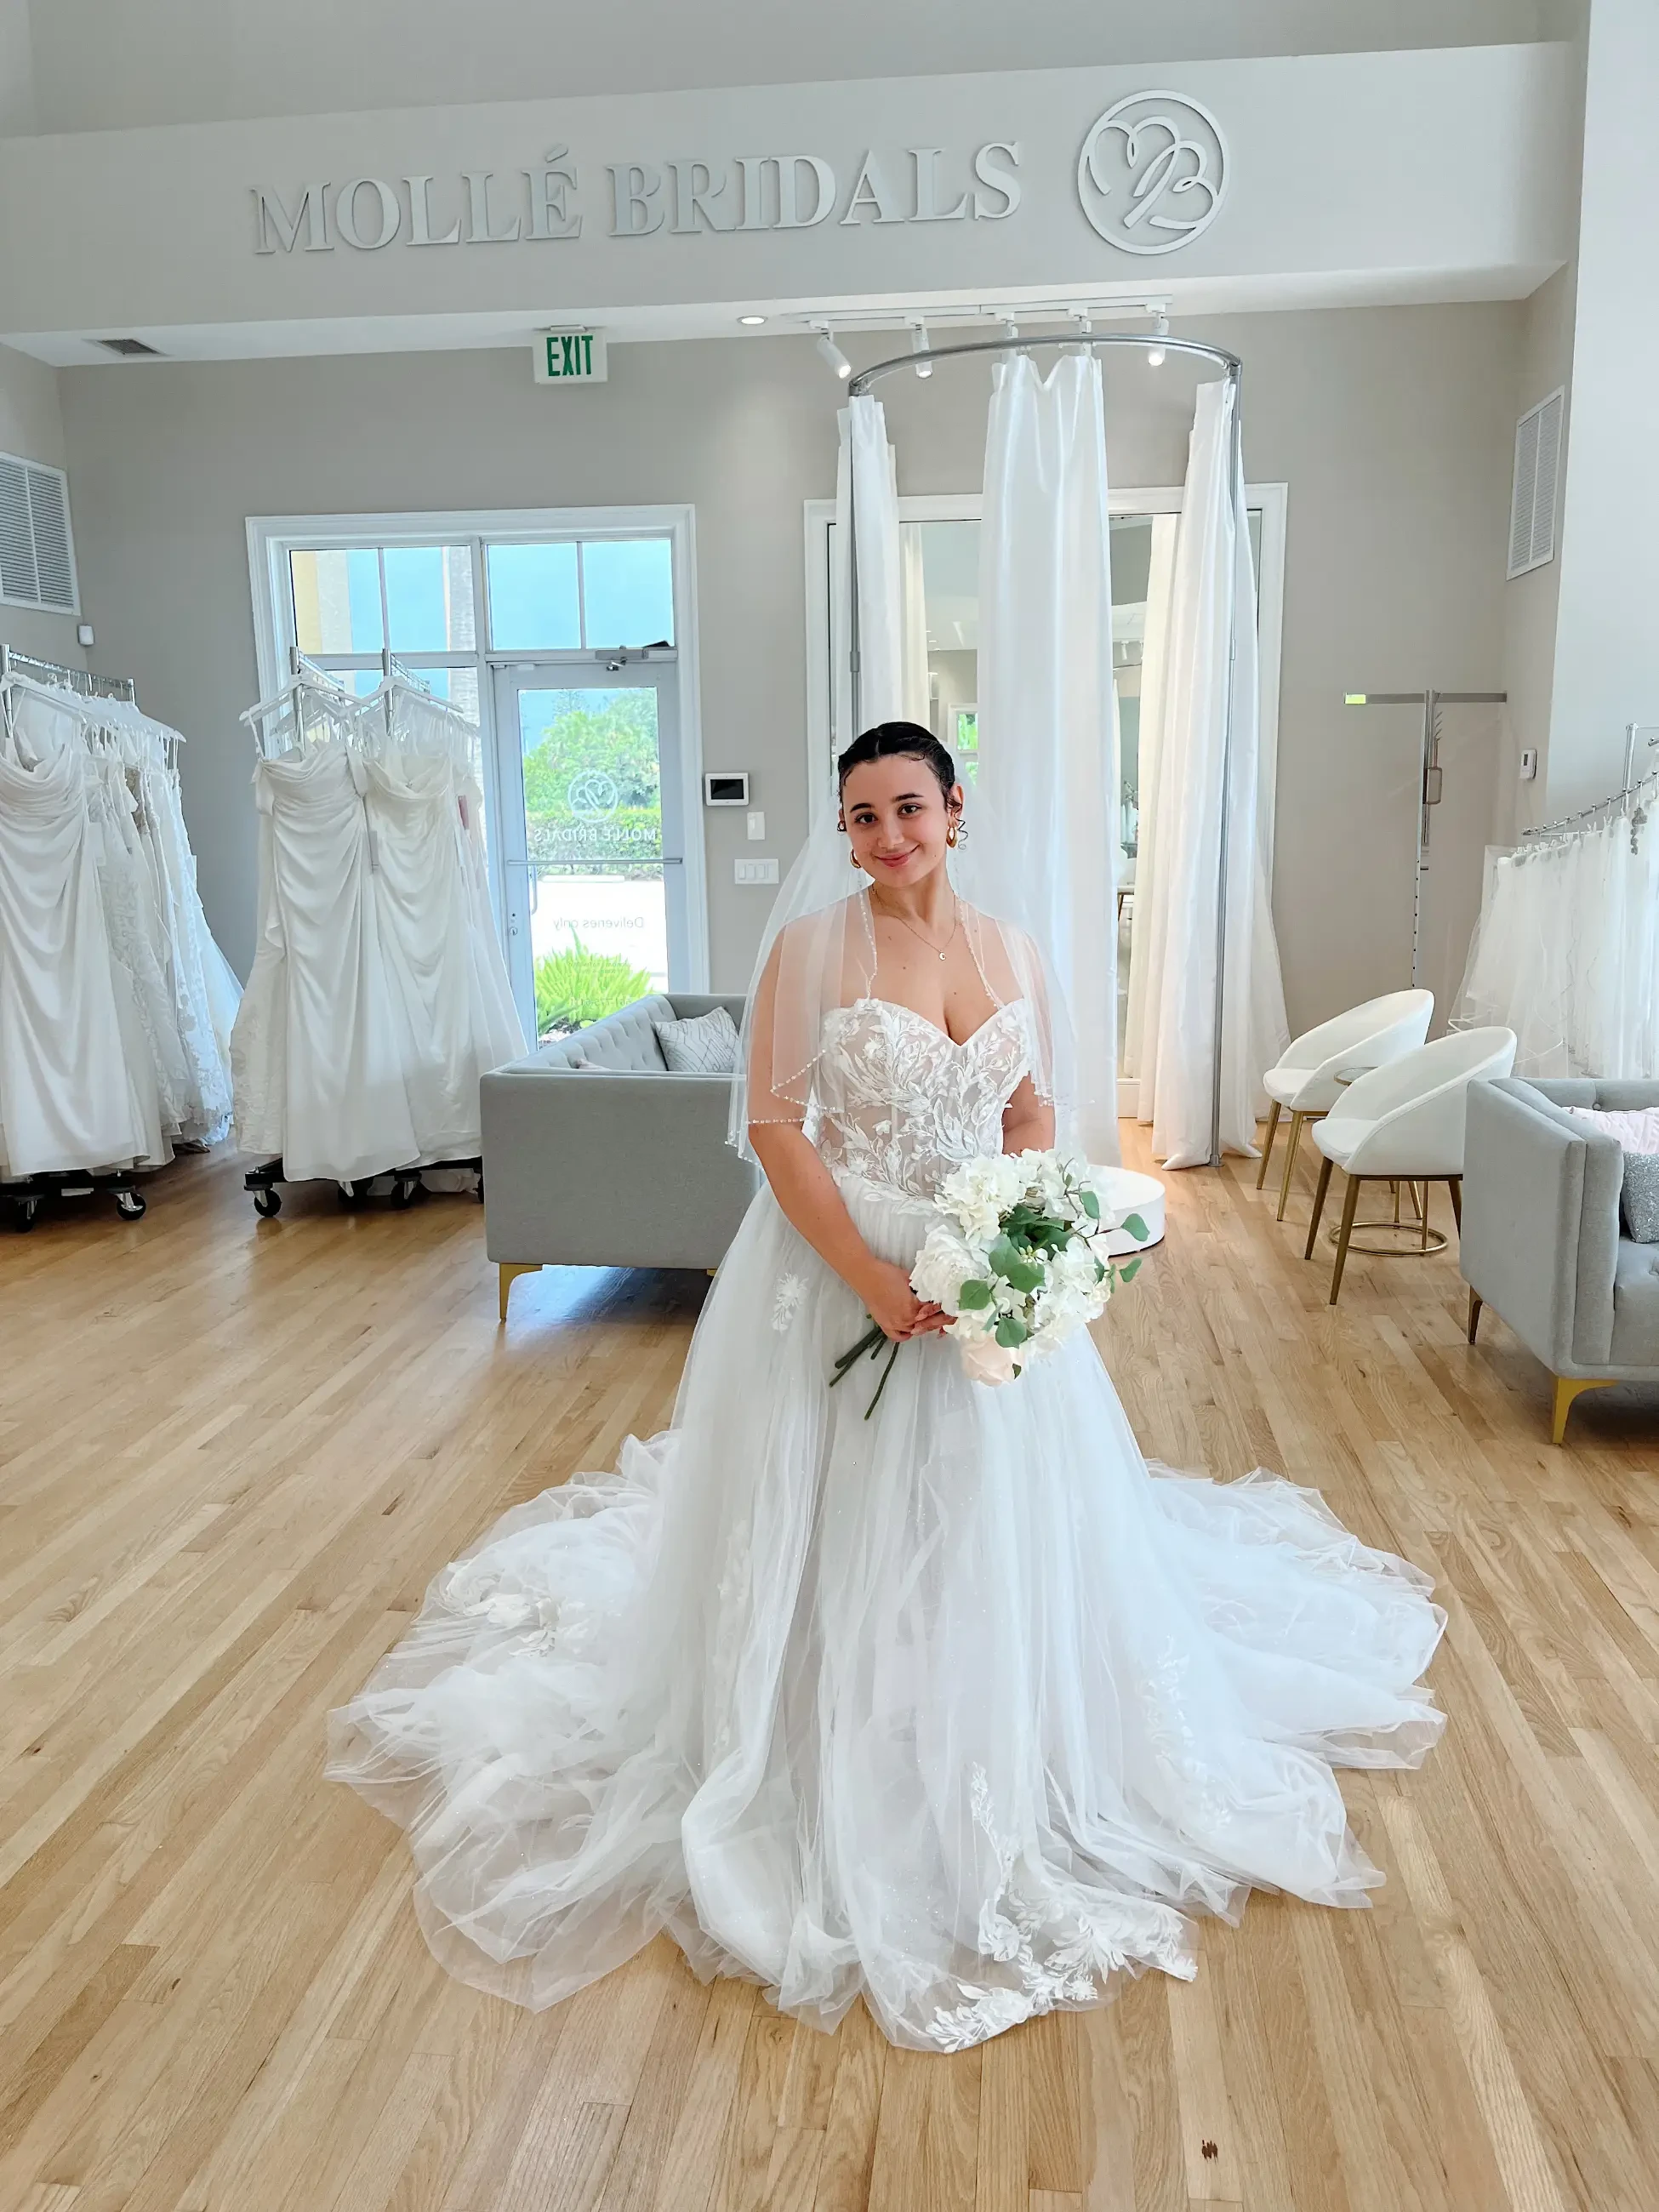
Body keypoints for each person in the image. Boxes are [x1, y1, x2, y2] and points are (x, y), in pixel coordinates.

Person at [327, 721, 1445, 2055]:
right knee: (838, 1506)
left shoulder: (1013, 949)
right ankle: (822, 1733)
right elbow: (775, 1129)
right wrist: (863, 1269)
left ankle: (987, 1712)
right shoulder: (812, 950)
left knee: (992, 1510)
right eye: (861, 818)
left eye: (906, 807)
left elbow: (1029, 1107)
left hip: (982, 1266)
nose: (886, 836)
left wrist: (1020, 1234)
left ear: (955, 808)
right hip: (834, 1273)